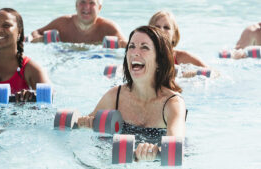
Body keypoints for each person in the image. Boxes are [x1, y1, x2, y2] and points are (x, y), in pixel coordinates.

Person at [78, 26, 186, 161]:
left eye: (144, 47)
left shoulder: (173, 103)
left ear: (159, 61)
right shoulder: (114, 97)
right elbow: (77, 126)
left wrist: (155, 151)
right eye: (131, 46)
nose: (135, 53)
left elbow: (176, 148)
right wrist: (83, 124)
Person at [31, 0, 127, 48]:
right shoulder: (62, 24)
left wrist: (121, 44)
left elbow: (129, 46)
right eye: (82, 2)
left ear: (99, 8)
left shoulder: (108, 28)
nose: (86, 7)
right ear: (76, 5)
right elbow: (36, 32)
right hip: (65, 58)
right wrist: (37, 39)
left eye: (92, 3)